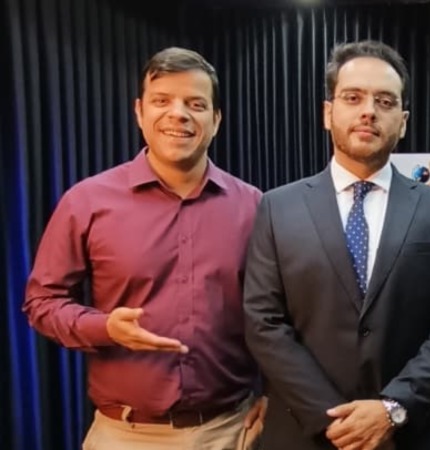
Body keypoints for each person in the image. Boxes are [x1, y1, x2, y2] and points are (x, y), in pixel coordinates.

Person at [23, 47, 266, 450]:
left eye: (195, 104)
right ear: (139, 112)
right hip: (124, 435)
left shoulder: (255, 206)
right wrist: (105, 328)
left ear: (216, 120)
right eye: (162, 100)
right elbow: (42, 302)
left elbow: (278, 312)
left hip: (231, 431)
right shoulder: (86, 202)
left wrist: (274, 392)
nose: (178, 114)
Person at [243, 40, 430, 450]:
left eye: (385, 101)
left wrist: (392, 408)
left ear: (403, 121)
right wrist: (332, 418)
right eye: (353, 98)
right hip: (304, 432)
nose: (369, 111)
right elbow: (264, 322)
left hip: (411, 433)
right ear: (328, 112)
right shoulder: (277, 208)